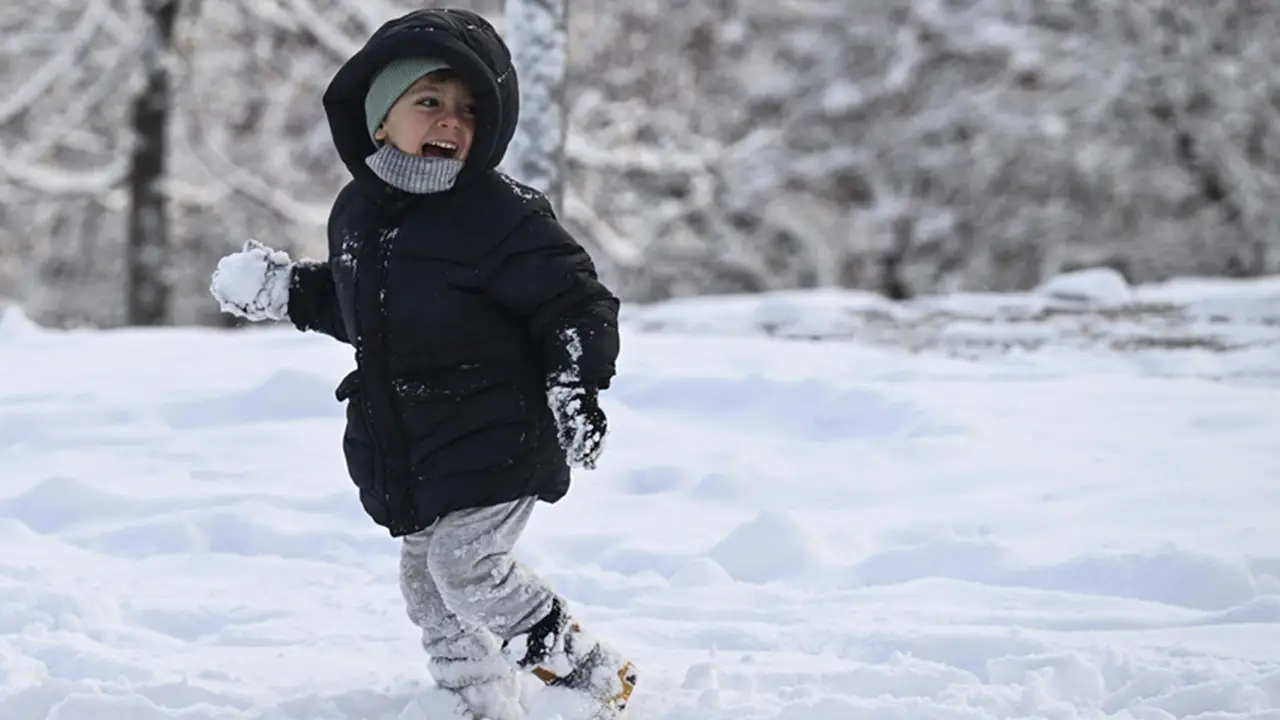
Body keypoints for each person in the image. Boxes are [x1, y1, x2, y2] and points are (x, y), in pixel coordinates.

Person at [207, 8, 636, 719]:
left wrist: (572, 382)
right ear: (381, 117)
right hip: (421, 444)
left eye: (469, 110)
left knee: (466, 568)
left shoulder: (501, 216)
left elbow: (574, 302)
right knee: (426, 584)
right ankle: (475, 702)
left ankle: (592, 677)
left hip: (500, 432)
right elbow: (367, 312)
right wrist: (288, 289)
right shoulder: (358, 213)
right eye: (429, 102)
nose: (451, 122)